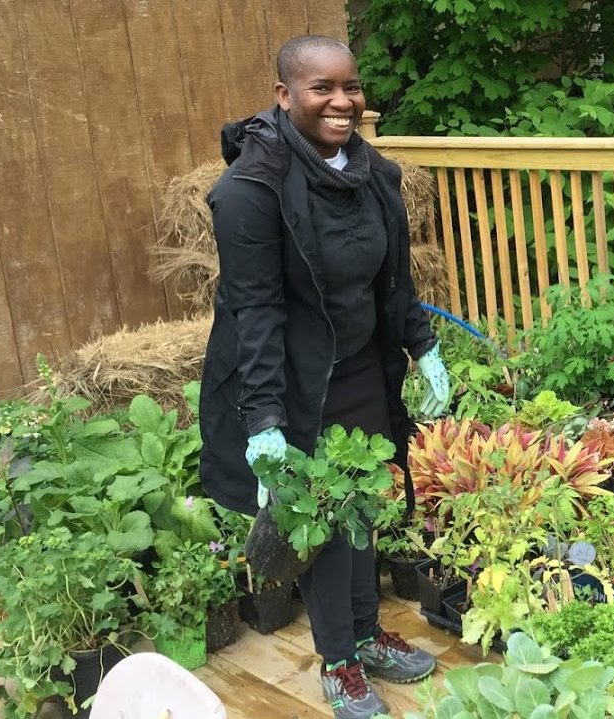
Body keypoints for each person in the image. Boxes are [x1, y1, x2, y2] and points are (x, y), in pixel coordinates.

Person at [197, 34, 449, 719]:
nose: (342, 102)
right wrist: (264, 421)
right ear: (285, 96)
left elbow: (393, 278)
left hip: (364, 369)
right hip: (298, 384)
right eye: (321, 89)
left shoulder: (375, 174)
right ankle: (338, 660)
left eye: (351, 87)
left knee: (363, 508)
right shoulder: (251, 191)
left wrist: (422, 347)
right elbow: (254, 311)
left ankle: (367, 634)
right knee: (323, 527)